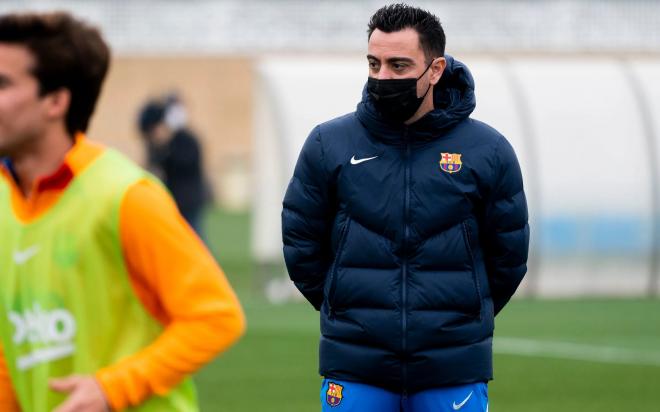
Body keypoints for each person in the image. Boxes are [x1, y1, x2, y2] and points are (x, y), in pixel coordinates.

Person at [282, 4, 529, 411]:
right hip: (355, 365)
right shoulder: (329, 144)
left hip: (453, 368)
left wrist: (458, 316)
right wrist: (346, 306)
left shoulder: (489, 151)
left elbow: (509, 257)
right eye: (373, 63)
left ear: (435, 70)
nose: (382, 77)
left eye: (399, 66)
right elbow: (300, 242)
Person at [0, 11, 245, 412]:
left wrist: (112, 389)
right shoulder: (4, 200)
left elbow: (216, 317)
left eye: (3, 83)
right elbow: (7, 351)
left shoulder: (125, 195)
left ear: (56, 102)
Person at [138, 94, 211, 237]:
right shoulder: (156, 147)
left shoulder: (185, 140)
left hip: (189, 203)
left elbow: (187, 165)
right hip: (170, 203)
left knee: (195, 240)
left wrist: (166, 150)